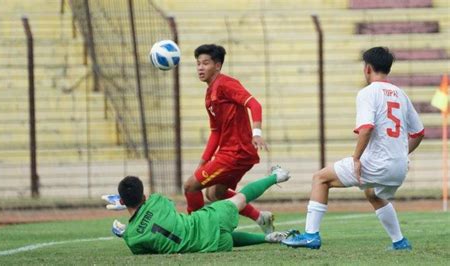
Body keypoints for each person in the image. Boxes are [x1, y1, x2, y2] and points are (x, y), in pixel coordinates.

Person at [282, 47, 424, 250]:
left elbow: (366, 129)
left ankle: (311, 235)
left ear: (367, 69)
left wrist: (356, 158)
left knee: (320, 178)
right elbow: (419, 133)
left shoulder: (367, 93)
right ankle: (400, 242)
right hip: (399, 168)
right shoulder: (401, 95)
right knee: (373, 194)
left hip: (376, 164)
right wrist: (400, 154)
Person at [102, 166, 298, 254]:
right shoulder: (154, 201)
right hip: (207, 220)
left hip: (212, 246)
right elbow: (169, 205)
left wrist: (125, 232)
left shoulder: (133, 238)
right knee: (241, 197)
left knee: (222, 236)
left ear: (122, 201)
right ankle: (277, 176)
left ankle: (267, 238)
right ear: (143, 196)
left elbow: (142, 249)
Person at [183, 44, 273, 233]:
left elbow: (254, 104)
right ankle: (261, 217)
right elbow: (216, 131)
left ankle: (195, 230)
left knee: (191, 186)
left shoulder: (226, 84)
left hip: (236, 152)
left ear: (217, 65)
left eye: (205, 63)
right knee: (215, 193)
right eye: (198, 64)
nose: (200, 68)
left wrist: (256, 133)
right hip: (229, 151)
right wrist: (203, 162)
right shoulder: (210, 94)